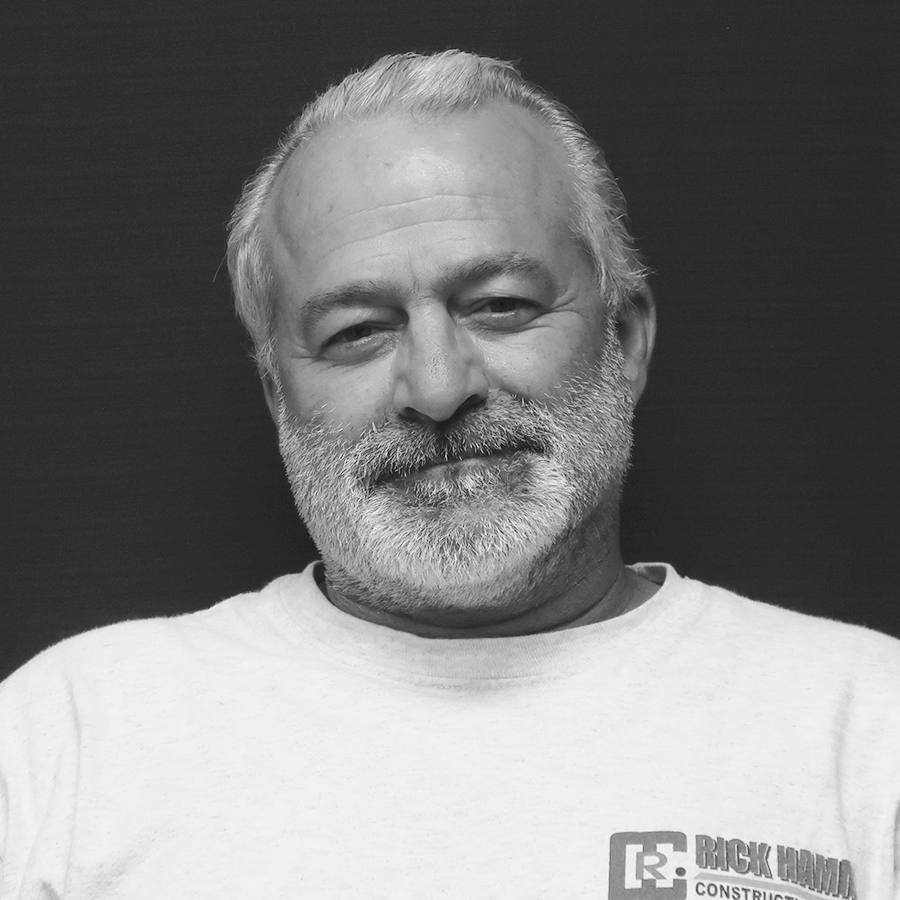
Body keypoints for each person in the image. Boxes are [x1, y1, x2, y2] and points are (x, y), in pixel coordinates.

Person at [0, 51, 896, 900]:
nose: (436, 387)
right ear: (279, 395)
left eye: (500, 305)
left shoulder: (864, 727)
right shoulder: (69, 737)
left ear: (623, 341)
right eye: (357, 330)